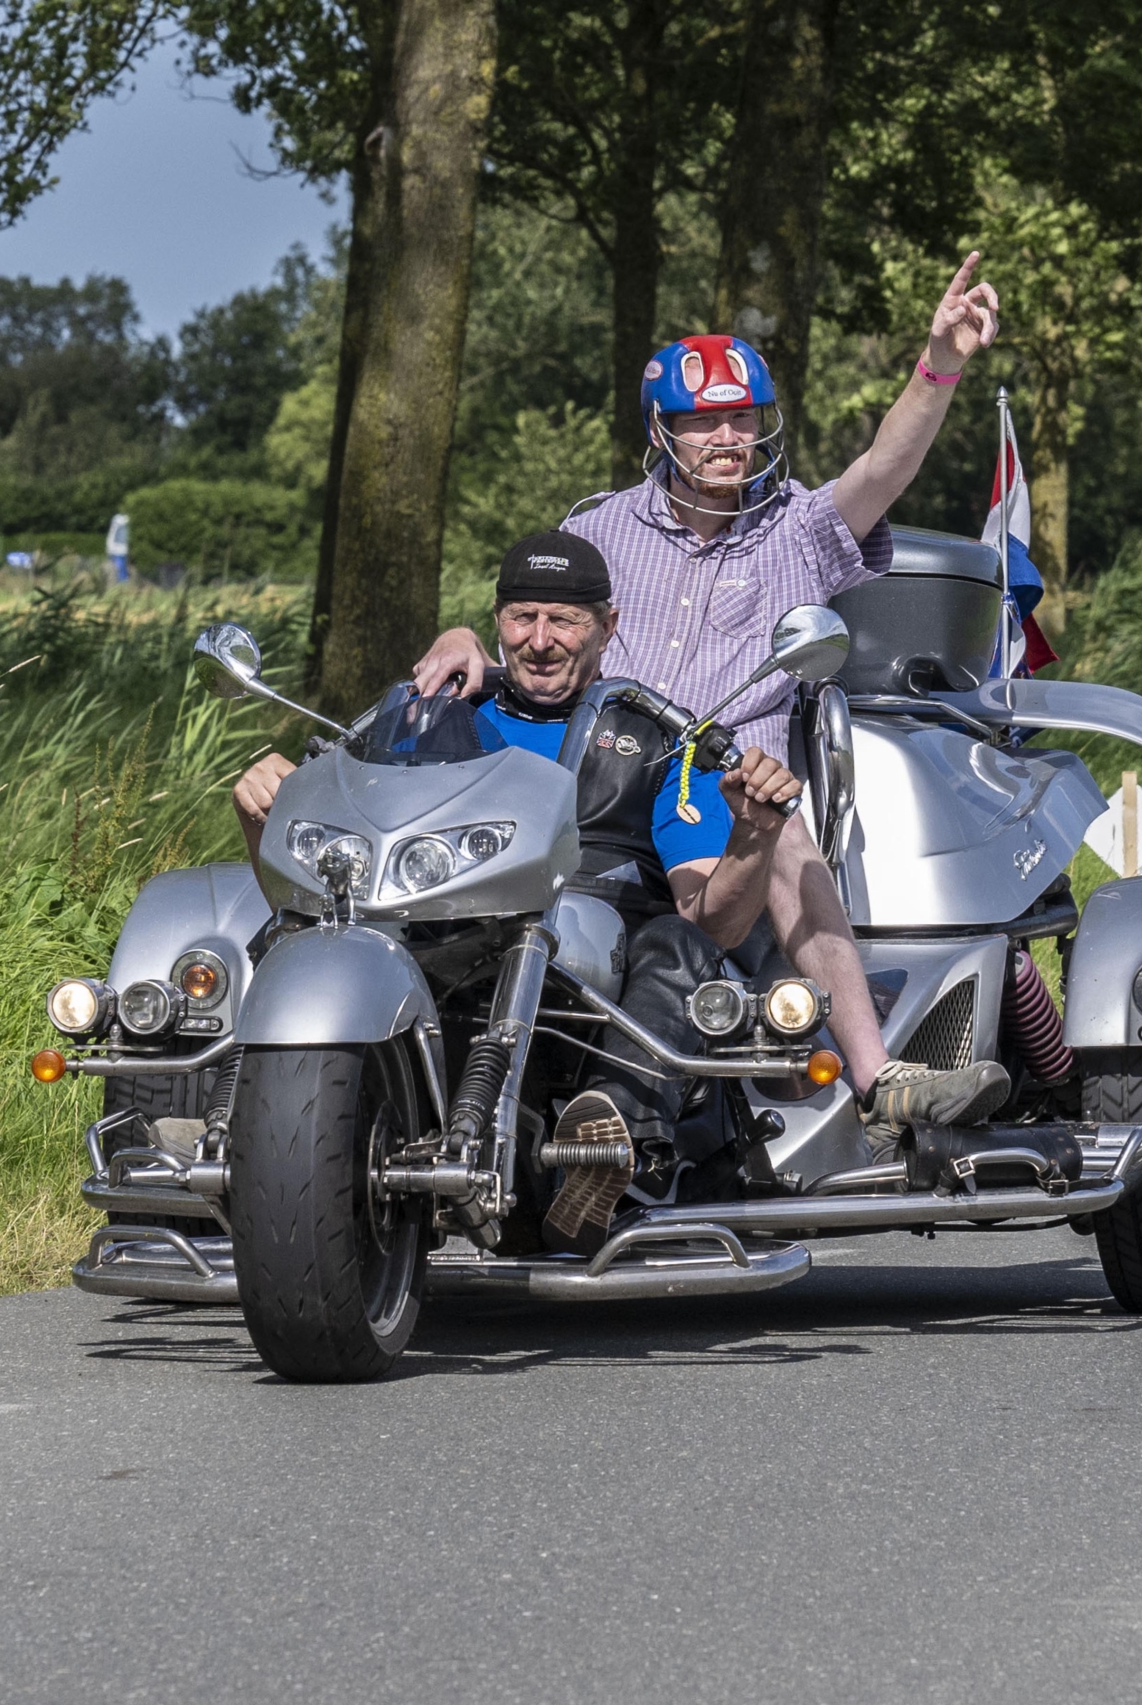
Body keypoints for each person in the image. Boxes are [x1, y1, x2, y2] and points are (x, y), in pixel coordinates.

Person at [232, 531, 1014, 1253]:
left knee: (678, 945)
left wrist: (751, 836)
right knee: (311, 939)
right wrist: (268, 811)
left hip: (599, 949)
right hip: (440, 934)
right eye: (522, 616)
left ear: (608, 626)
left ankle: (605, 1142)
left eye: (564, 620)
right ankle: (244, 1121)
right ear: (496, 621)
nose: (540, 639)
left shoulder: (653, 738)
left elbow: (714, 912)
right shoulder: (433, 719)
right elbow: (320, 876)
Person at [404, 255, 1012, 1143]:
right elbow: (546, 634)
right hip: (600, 768)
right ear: (661, 431)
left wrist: (940, 361)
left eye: (742, 420)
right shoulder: (597, 526)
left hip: (728, 780)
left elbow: (885, 466)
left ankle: (878, 1079)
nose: (728, 439)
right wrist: (467, 639)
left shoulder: (802, 527)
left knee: (786, 831)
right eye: (705, 423)